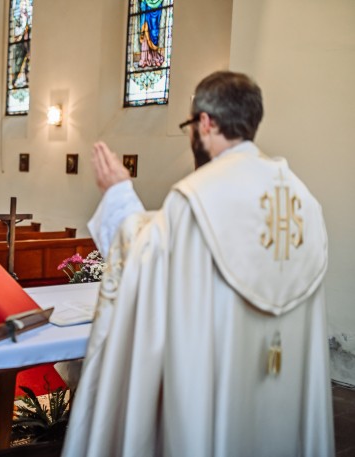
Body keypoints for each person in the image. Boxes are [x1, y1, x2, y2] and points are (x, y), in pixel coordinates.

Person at [62, 71, 334, 456]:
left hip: (216, 384)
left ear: (205, 123)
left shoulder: (197, 196)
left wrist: (119, 196)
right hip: (280, 372)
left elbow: (145, 261)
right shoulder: (303, 200)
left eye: (191, 125)